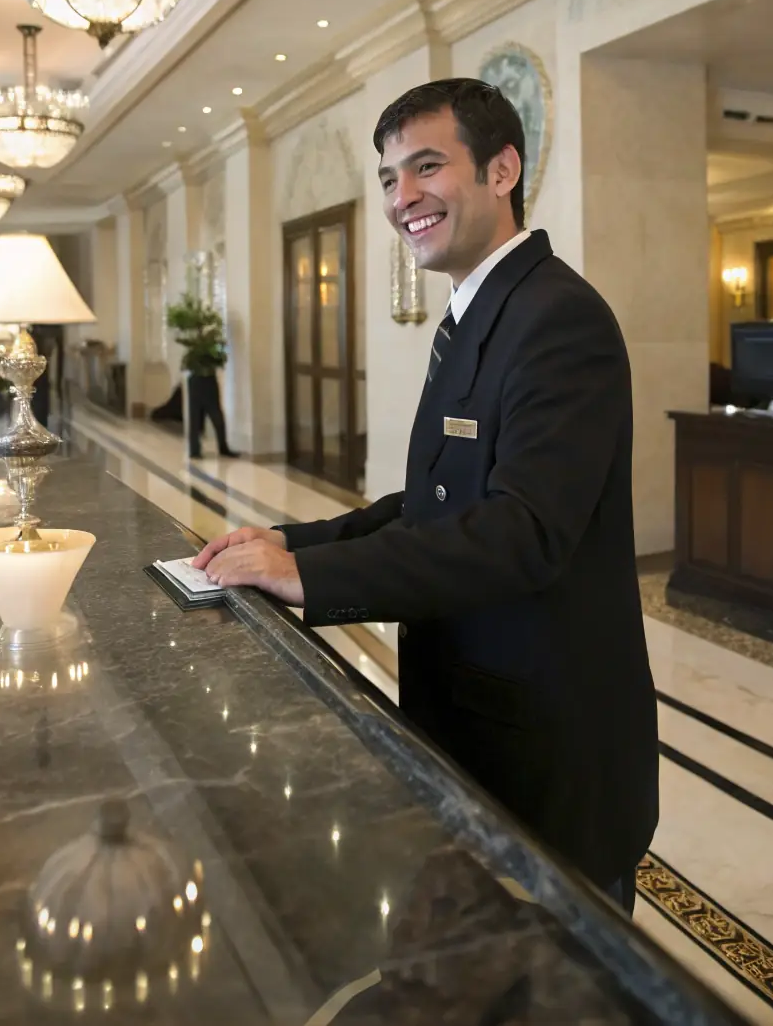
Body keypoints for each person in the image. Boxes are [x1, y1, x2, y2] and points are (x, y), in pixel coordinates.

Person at [195, 78, 659, 914]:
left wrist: (315, 580)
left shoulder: (559, 318)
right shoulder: (481, 311)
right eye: (388, 177)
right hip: (473, 733)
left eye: (427, 167)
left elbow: (523, 530)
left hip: (546, 755)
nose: (401, 196)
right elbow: (435, 501)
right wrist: (296, 545)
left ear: (501, 170)